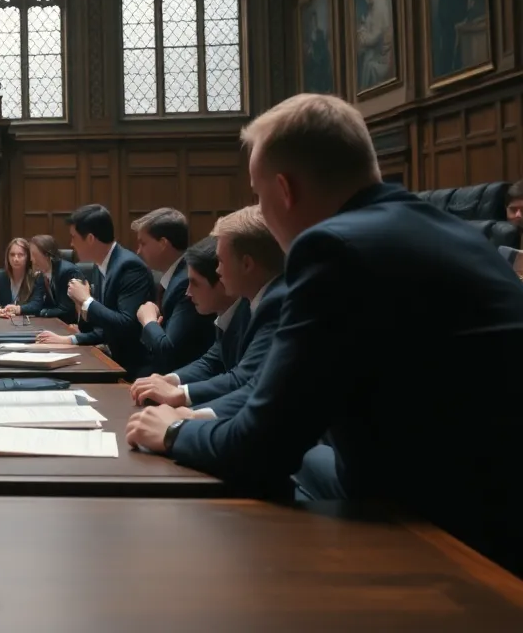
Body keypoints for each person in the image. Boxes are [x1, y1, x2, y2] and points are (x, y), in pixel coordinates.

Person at [125, 93, 523, 577]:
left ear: (285, 190)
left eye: (258, 195)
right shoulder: (453, 233)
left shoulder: (331, 248)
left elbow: (261, 448)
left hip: (442, 540)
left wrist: (173, 429)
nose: (259, 211)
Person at [130, 206, 285, 411]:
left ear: (246, 264)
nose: (218, 270)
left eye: (220, 261)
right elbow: (215, 359)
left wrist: (183, 403)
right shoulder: (249, 303)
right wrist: (172, 381)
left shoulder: (275, 304)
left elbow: (246, 382)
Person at [37, 204, 155, 374]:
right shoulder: (100, 266)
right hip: (112, 360)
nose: (71, 244)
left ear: (90, 238)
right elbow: (100, 329)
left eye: (74, 237)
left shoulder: (129, 266)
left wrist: (87, 301)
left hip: (135, 368)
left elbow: (126, 325)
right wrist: (70, 338)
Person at [131, 208, 215, 373]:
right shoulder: (175, 277)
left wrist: (148, 321)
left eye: (143, 243)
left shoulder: (185, 282)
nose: (138, 251)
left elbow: (168, 350)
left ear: (163, 244)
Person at [24, 234, 80, 322]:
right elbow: (37, 303)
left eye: (34, 255)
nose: (31, 259)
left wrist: (44, 312)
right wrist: (16, 309)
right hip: (56, 324)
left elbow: (66, 309)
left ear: (47, 255)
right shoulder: (43, 274)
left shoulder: (66, 272)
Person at [0, 237, 44, 318]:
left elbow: (36, 305)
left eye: (21, 255)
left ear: (28, 257)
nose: (15, 259)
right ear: (7, 257)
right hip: (5, 321)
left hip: (27, 323)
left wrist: (17, 309)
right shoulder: (0, 276)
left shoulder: (36, 276)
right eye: (12, 255)